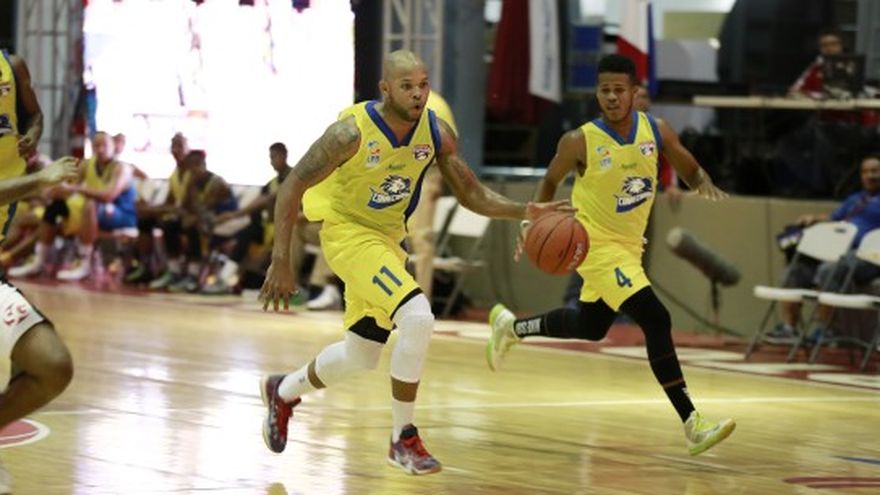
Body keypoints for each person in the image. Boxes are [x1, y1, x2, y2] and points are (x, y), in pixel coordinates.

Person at [257, 50, 570, 475]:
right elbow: (292, 185)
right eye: (407, 86)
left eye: (423, 85)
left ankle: (283, 391)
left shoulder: (436, 133)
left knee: (360, 355)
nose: (418, 94)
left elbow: (471, 193)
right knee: (418, 317)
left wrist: (523, 210)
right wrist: (281, 260)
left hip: (388, 241)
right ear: (385, 89)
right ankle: (402, 439)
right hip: (349, 235)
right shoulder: (350, 133)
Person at [485, 54, 735, 457]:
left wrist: (703, 182)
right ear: (597, 93)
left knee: (591, 325)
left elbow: (688, 167)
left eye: (620, 90)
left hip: (629, 247)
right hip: (595, 246)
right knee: (657, 318)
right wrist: (532, 222)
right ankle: (692, 422)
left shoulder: (656, 130)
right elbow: (549, 181)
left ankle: (511, 328)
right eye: (605, 90)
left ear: (635, 92)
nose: (613, 97)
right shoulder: (579, 140)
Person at [0, 49, 76, 493]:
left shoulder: (11, 67)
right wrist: (40, 179)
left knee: (53, 365)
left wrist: (32, 133)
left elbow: (35, 115)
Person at [766, 155, 880, 343]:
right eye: (865, 172)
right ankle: (789, 329)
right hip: (839, 251)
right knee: (796, 270)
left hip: (868, 256)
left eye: (875, 171)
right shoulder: (854, 199)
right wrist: (813, 218)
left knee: (828, 270)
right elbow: (834, 218)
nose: (870, 176)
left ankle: (828, 331)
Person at [405, 90, 458, 301]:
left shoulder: (436, 104)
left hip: (428, 171)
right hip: (401, 170)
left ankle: (421, 300)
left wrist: (441, 180)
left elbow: (451, 145)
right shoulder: (395, 102)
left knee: (422, 238)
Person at [789, 28, 844, 99]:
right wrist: (817, 96)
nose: (829, 48)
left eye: (833, 44)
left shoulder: (852, 66)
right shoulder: (816, 66)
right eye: (824, 45)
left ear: (841, 46)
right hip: (820, 105)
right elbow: (794, 91)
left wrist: (810, 95)